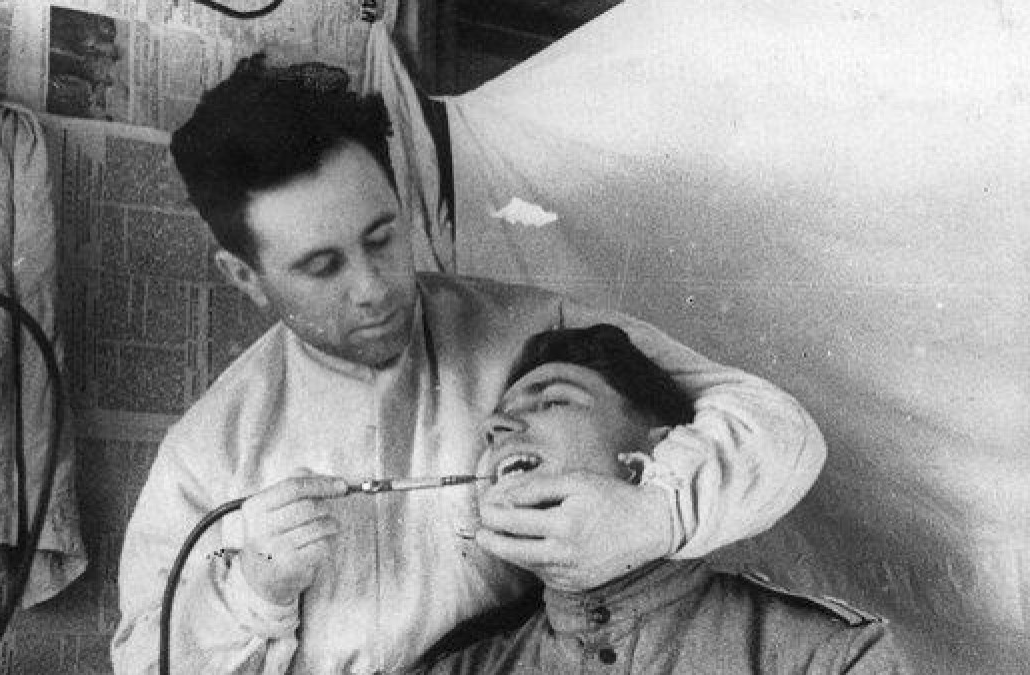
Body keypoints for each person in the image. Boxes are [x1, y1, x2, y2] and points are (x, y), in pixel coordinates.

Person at [110, 52, 827, 674]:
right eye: (323, 266)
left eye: (382, 236)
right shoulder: (208, 453)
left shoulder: (530, 332)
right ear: (245, 277)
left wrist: (656, 514)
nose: (373, 288)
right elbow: (146, 663)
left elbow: (772, 422)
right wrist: (250, 593)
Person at [415, 324, 906, 674]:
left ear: (658, 451)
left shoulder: (827, 658)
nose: (497, 426)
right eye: (498, 421)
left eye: (553, 400)